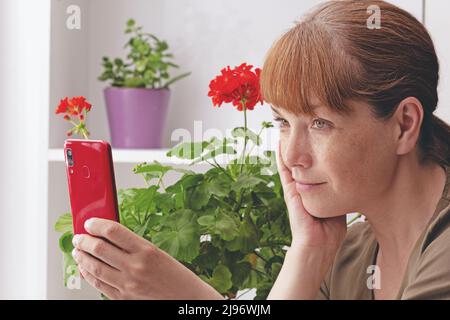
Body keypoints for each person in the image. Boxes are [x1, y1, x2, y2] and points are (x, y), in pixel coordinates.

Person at [71, 0, 450, 300]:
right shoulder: (347, 255)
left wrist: (186, 296)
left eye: (320, 123)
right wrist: (309, 252)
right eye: (283, 122)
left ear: (404, 125)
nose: (291, 156)